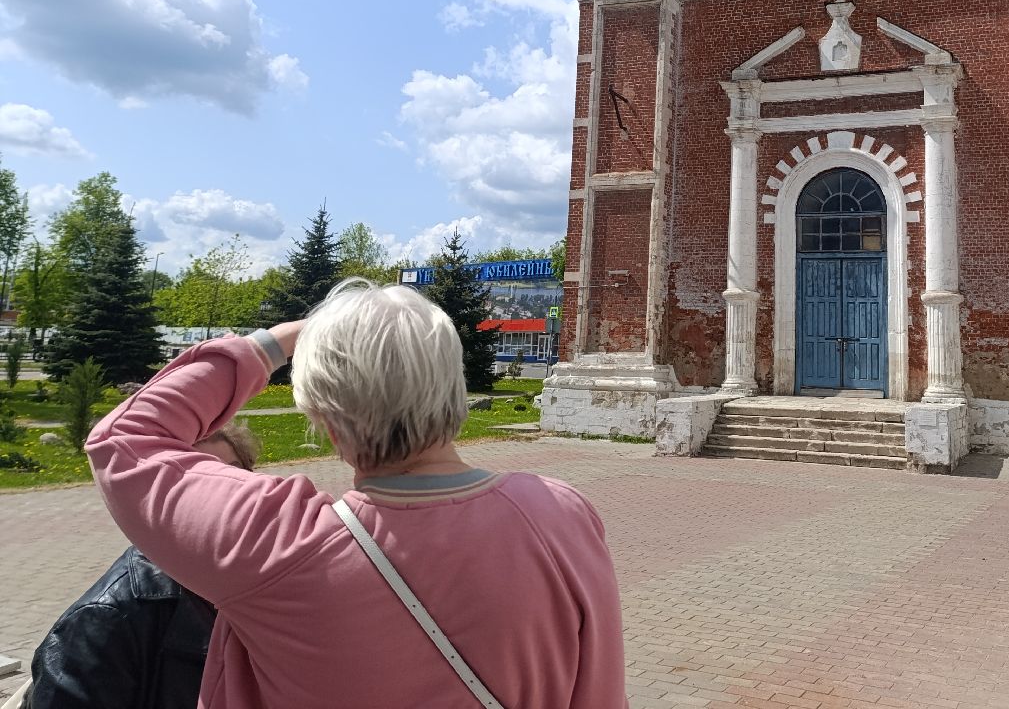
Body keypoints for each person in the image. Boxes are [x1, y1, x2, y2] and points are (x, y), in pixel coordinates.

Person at [87, 280, 627, 708]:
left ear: (322, 416)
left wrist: (277, 341)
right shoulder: (562, 515)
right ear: (452, 385)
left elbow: (125, 439)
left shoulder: (274, 543)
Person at [25, 425, 260, 709]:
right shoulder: (104, 620)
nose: (224, 496)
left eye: (235, 475)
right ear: (159, 498)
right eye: (197, 481)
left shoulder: (263, 583)